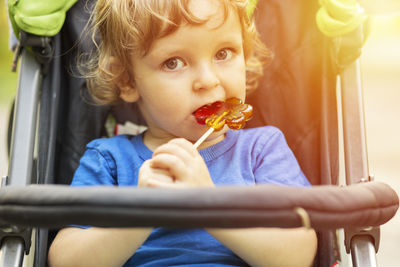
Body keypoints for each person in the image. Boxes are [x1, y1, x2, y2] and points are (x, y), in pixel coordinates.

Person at [48, 0, 317, 266]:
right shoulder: (109, 160)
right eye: (173, 63)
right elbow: (65, 260)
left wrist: (210, 206)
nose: (208, 80)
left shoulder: (261, 150)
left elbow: (298, 254)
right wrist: (136, 214)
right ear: (126, 80)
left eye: (223, 53)